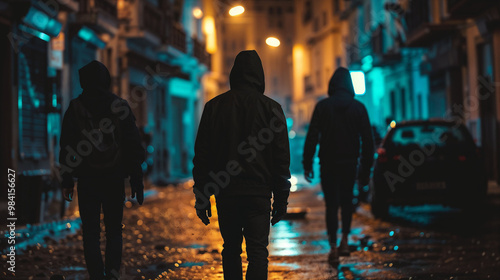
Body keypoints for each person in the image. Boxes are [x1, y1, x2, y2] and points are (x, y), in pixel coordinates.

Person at [192, 50, 291, 280]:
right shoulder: (272, 108)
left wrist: (202, 195)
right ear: (260, 76)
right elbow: (281, 158)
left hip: (227, 193)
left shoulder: (214, 107)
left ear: (234, 74)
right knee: (258, 251)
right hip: (259, 193)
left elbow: (203, 156)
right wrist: (281, 199)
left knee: (231, 249)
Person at [59, 60, 145, 280]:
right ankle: (112, 276)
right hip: (114, 177)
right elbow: (133, 144)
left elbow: (67, 145)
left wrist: (67, 178)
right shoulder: (120, 106)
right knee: (114, 231)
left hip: (88, 179)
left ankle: (97, 276)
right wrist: (136, 178)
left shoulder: (75, 107)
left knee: (91, 234)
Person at [302, 67, 374, 265]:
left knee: (331, 205)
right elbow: (368, 141)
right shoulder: (358, 108)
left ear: (332, 85)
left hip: (328, 163)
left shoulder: (322, 107)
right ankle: (344, 241)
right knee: (347, 203)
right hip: (350, 163)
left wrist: (307, 163)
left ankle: (333, 246)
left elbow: (312, 137)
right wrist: (366, 171)